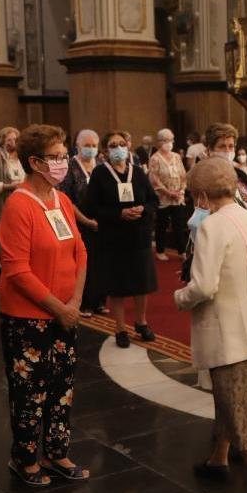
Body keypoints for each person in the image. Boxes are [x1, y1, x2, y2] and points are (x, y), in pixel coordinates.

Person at [174, 158, 247, 493]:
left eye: (194, 197)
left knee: (240, 410)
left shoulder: (212, 226)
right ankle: (218, 459)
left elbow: (204, 286)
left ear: (202, 195)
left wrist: (180, 298)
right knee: (232, 398)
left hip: (230, 332)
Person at [0, 124, 90, 486]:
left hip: (65, 311)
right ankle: (23, 459)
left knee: (61, 386)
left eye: (62, 154)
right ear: (34, 162)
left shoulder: (61, 200)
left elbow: (80, 250)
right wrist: (58, 307)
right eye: (54, 156)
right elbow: (17, 270)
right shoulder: (19, 206)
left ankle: (56, 452)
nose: (61, 162)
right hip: (29, 317)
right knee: (29, 391)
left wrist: (76, 301)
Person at [87, 130, 159, 348]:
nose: (118, 148)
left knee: (141, 283)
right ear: (106, 151)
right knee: (117, 285)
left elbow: (153, 201)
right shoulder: (100, 174)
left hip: (139, 237)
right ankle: (120, 328)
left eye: (121, 144)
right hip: (113, 238)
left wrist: (143, 209)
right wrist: (118, 214)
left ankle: (141, 322)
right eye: (112, 145)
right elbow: (91, 207)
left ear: (127, 146)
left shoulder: (137, 172)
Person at [60, 129, 105, 316]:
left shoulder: (101, 165)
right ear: (77, 146)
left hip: (103, 222)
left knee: (102, 263)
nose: (91, 149)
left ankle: (100, 301)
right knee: (84, 264)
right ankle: (85, 302)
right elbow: (67, 199)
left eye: (94, 146)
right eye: (87, 146)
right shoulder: (70, 167)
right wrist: (86, 221)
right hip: (80, 222)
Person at [148, 128, 187, 261]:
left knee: (179, 225)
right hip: (163, 198)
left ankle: (182, 251)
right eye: (165, 140)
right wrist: (168, 192)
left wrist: (181, 190)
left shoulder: (176, 156)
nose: (169, 143)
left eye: (171, 140)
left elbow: (183, 175)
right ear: (159, 142)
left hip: (178, 197)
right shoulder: (155, 158)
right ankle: (160, 250)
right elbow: (154, 179)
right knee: (162, 225)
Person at [0, 126, 25, 220]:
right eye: (9, 140)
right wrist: (9, 186)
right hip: (5, 203)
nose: (13, 142)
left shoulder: (23, 155)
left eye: (15, 139)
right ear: (2, 141)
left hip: (23, 201)